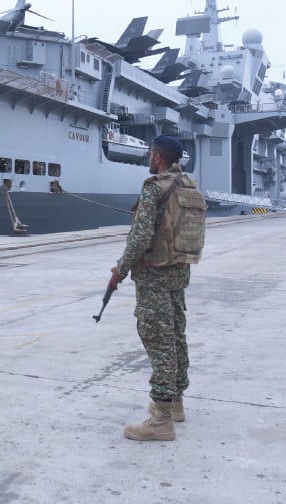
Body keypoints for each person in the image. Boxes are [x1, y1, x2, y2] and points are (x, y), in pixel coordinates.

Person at [109, 134, 200, 441]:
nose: (149, 158)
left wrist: (119, 270)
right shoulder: (188, 186)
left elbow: (140, 236)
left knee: (158, 339)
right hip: (178, 273)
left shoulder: (154, 188)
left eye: (150, 154)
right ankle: (175, 402)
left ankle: (161, 419)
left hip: (154, 275)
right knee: (175, 334)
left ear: (158, 157)